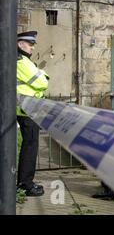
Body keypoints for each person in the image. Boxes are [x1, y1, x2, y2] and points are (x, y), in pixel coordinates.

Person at [16, 31, 50, 196]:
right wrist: (42, 74)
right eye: (30, 44)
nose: (32, 47)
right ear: (20, 44)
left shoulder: (21, 60)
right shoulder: (21, 61)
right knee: (30, 146)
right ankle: (25, 184)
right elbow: (42, 82)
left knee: (28, 145)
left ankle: (24, 181)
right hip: (26, 109)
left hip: (25, 108)